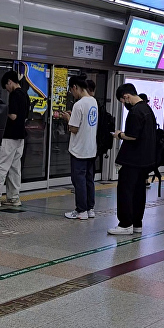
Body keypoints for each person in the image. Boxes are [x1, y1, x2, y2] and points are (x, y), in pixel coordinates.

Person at [109, 83, 156, 235]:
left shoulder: (135, 112)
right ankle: (137, 223)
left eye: (123, 101)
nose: (124, 104)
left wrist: (119, 135)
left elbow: (132, 136)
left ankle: (125, 224)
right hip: (144, 159)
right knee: (139, 191)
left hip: (132, 160)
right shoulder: (147, 109)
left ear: (127, 96)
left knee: (126, 190)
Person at [0, 70, 29, 208]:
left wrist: (1, 111)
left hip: (9, 136)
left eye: (6, 86)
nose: (7, 90)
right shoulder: (25, 94)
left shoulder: (14, 94)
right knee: (14, 168)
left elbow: (13, 115)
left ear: (10, 82)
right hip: (20, 137)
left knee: (0, 167)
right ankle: (14, 198)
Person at [62, 76, 98, 220]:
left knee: (79, 180)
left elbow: (74, 128)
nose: (72, 93)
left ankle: (81, 210)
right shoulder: (93, 101)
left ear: (75, 87)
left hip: (79, 150)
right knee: (89, 179)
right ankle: (90, 209)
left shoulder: (79, 104)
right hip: (91, 148)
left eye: (72, 90)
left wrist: (67, 119)